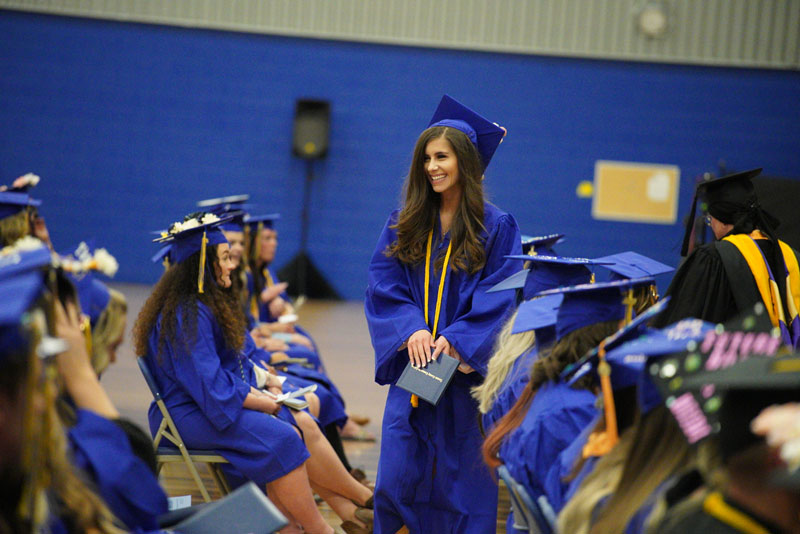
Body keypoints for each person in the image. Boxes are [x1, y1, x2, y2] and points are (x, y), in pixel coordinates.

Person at [134, 212, 373, 534]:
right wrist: (263, 402)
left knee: (299, 420)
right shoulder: (186, 316)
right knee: (284, 435)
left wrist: (266, 388)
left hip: (209, 404)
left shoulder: (204, 304)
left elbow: (234, 364)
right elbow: (210, 386)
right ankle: (322, 528)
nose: (233, 264)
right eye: (226, 257)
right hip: (187, 414)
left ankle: (349, 512)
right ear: (203, 265)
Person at [365, 95, 522, 533]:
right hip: (415, 371)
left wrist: (458, 338)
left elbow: (503, 292)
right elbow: (384, 283)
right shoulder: (405, 220)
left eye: (442, 157)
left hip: (463, 378)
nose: (433, 166)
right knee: (397, 477)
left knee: (462, 487)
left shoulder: (497, 226)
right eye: (427, 158)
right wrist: (410, 330)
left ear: (466, 164)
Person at [654, 168, 800, 348]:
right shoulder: (790, 255)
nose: (711, 226)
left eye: (710, 220)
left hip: (732, 370)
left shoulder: (715, 258)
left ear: (722, 219)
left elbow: (681, 323)